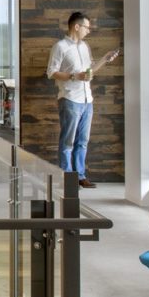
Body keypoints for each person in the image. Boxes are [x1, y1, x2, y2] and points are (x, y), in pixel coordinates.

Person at [45, 11, 119, 189]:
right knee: (68, 141)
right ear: (76, 26)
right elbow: (51, 72)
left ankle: (80, 176)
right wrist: (73, 76)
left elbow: (90, 71)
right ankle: (68, 178)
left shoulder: (85, 47)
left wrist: (105, 59)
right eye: (87, 27)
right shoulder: (60, 47)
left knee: (82, 141)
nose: (89, 30)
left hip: (87, 100)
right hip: (70, 99)